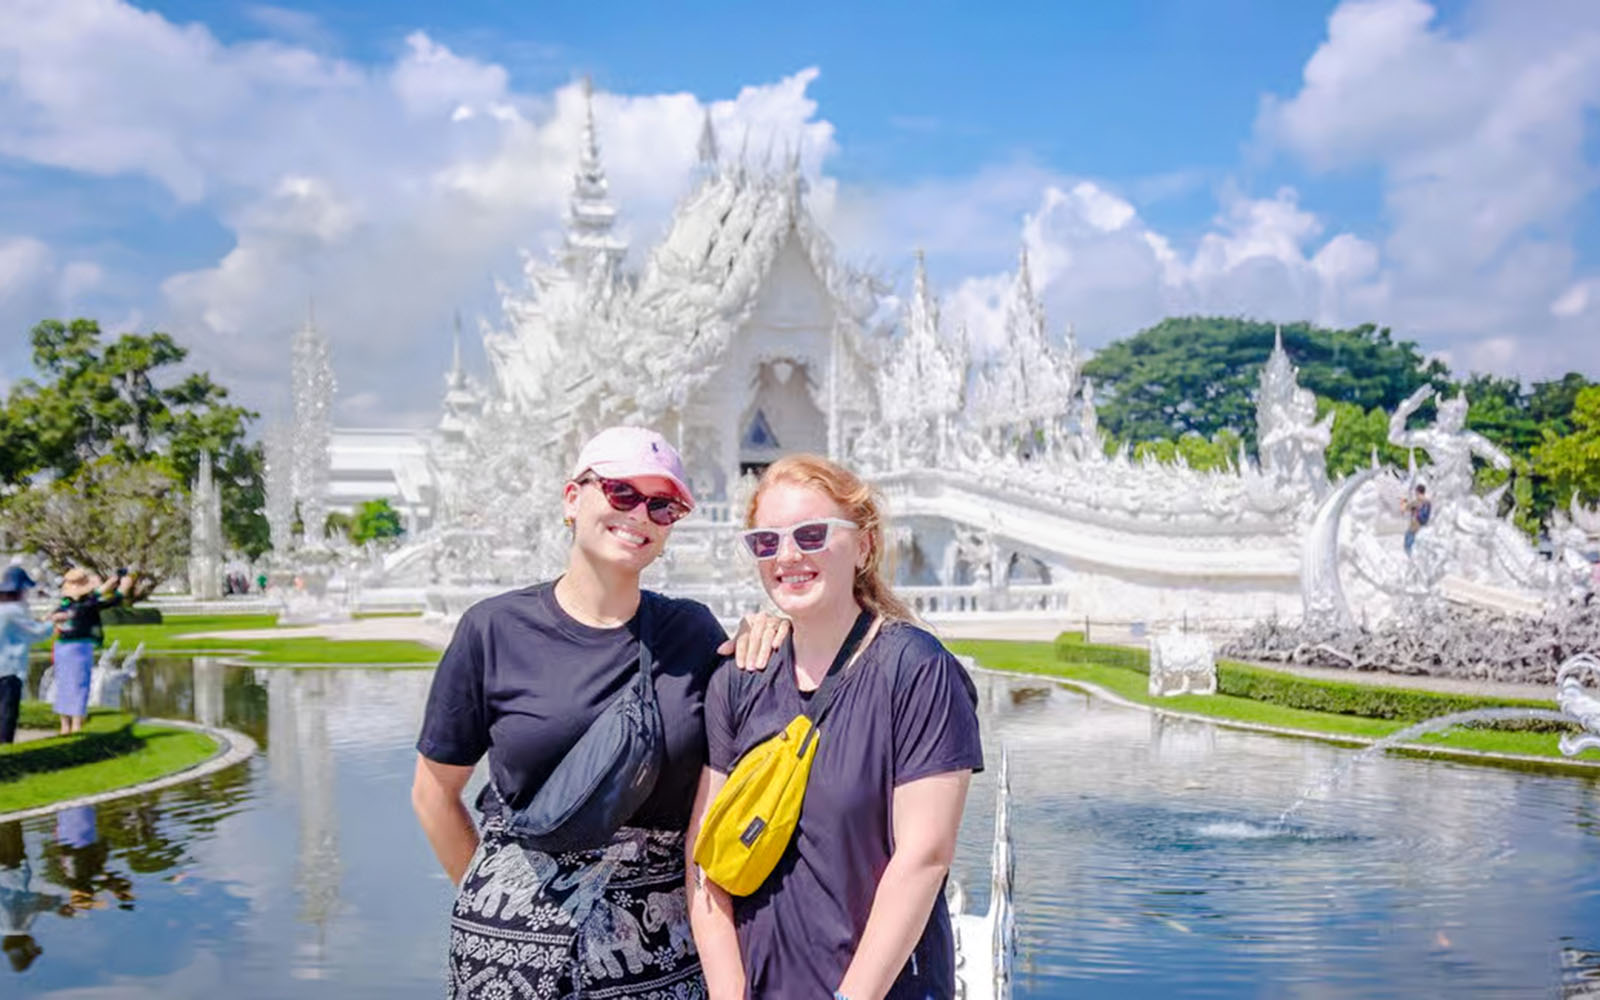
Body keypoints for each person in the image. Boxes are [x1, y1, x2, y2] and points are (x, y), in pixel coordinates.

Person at [411, 426, 754, 1000]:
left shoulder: (691, 634)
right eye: (621, 493)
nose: (640, 514)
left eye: (662, 505)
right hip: (509, 954)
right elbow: (432, 793)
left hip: (657, 950)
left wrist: (774, 631)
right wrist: (501, 894)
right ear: (574, 499)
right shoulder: (494, 630)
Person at [692, 454, 984, 1000]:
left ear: (865, 544)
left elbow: (924, 857)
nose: (787, 556)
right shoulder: (737, 679)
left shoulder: (915, 670)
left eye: (811, 534)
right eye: (766, 541)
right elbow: (706, 865)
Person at [50, 568, 127, 735]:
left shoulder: (65, 605)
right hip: (79, 648)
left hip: (63, 647)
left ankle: (65, 725)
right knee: (78, 684)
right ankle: (75, 724)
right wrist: (121, 588)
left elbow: (99, 596)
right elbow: (109, 600)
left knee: (64, 685)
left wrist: (112, 584)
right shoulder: (87, 604)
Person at [0, 566, 54, 744]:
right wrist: (52, 623)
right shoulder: (14, 610)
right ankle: (5, 746)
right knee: (7, 713)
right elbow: (36, 633)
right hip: (9, 669)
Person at [1402, 484, 1432, 556]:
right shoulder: (1428, 501)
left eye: (1416, 491)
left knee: (1408, 543)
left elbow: (1406, 508)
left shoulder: (1417, 501)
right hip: (1423, 525)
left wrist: (1404, 502)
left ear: (1418, 491)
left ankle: (1409, 558)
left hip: (1415, 525)